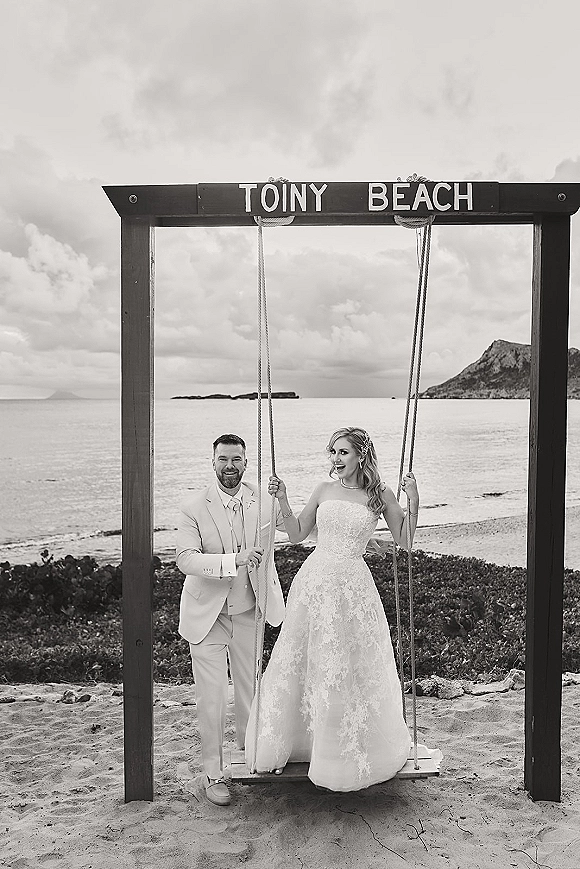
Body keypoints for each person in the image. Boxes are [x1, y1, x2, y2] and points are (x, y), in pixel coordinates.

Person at [245, 426, 419, 791]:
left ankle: (341, 751)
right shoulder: (323, 489)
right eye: (333, 452)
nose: (336, 459)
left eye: (343, 452)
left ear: (360, 455)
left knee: (349, 663)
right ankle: (299, 742)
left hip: (353, 586)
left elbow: (404, 540)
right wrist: (283, 499)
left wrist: (413, 498)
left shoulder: (379, 494)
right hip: (315, 582)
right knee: (306, 658)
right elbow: (296, 534)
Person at [176, 433, 286, 806]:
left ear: (245, 461)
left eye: (237, 460)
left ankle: (248, 758)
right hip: (207, 616)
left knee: (249, 693)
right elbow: (185, 559)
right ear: (213, 461)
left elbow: (300, 528)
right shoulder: (193, 505)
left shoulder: (264, 500)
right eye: (223, 459)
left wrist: (284, 495)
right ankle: (212, 775)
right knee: (211, 699)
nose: (230, 467)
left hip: (250, 611)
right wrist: (231, 561)